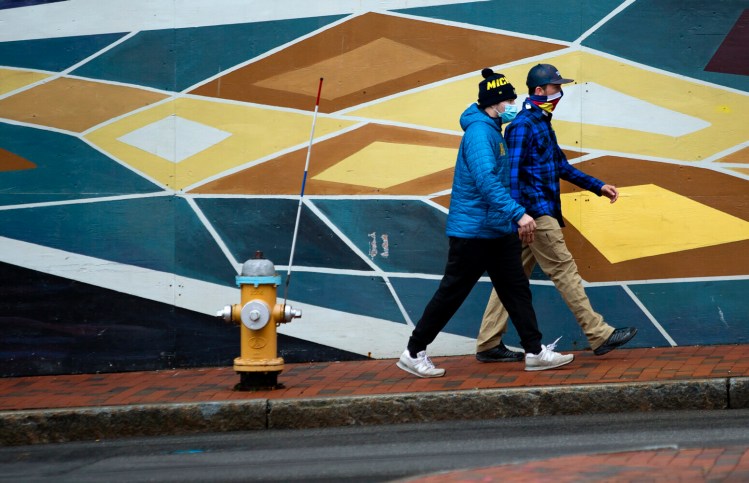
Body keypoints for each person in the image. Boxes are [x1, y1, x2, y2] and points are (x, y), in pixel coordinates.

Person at [396, 68, 574, 378]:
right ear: (497, 102)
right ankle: (413, 351)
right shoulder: (479, 134)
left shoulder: (491, 127)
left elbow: (509, 129)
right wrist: (518, 213)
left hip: (496, 230)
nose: (513, 105)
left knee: (516, 289)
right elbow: (485, 180)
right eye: (509, 100)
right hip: (475, 232)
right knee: (452, 293)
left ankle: (534, 351)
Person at [474, 63, 637, 364]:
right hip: (535, 214)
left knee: (510, 280)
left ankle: (487, 342)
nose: (559, 92)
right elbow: (511, 175)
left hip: (532, 215)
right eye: (555, 87)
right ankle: (598, 334)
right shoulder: (523, 126)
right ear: (540, 91)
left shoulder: (541, 123)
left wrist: (598, 186)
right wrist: (519, 216)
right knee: (564, 270)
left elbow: (560, 166)